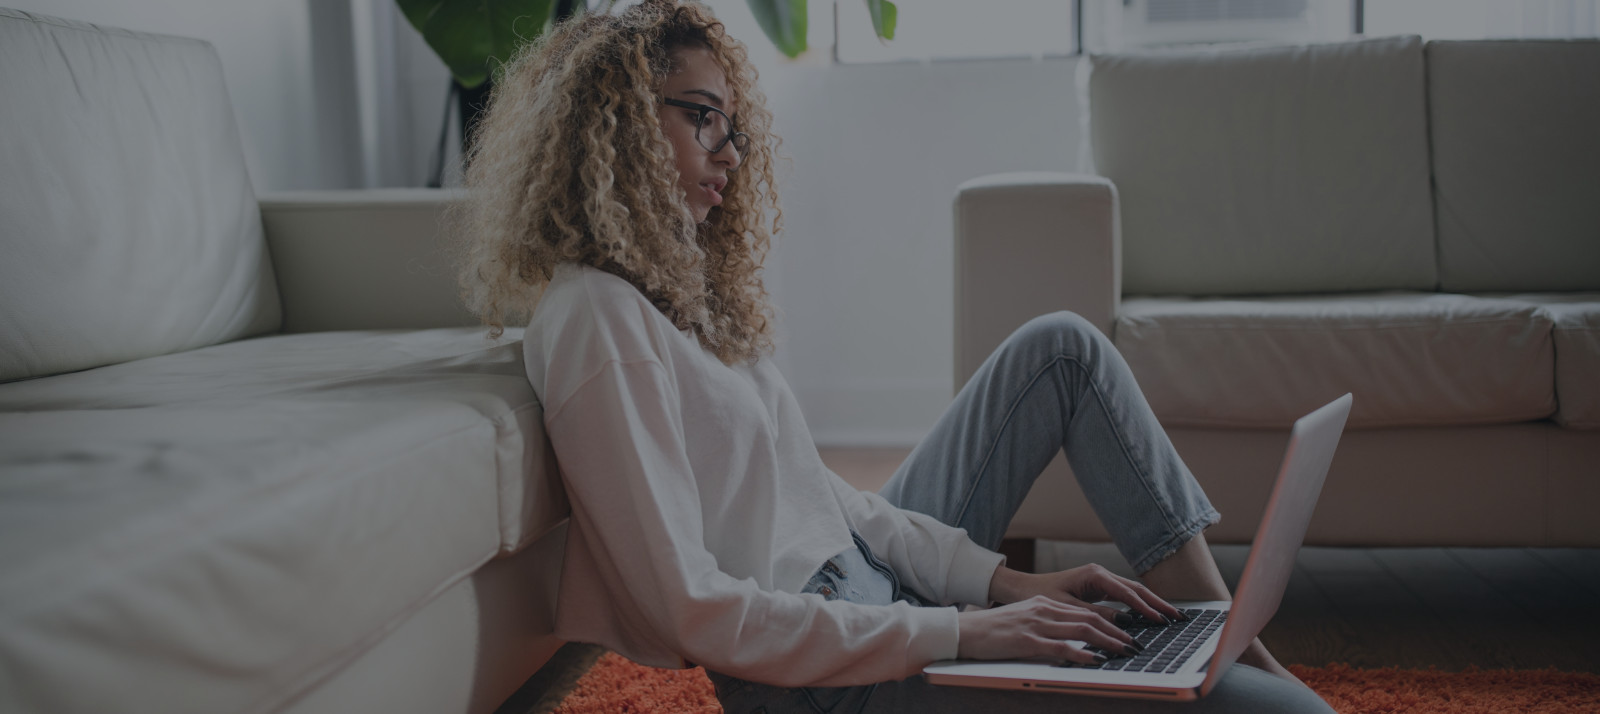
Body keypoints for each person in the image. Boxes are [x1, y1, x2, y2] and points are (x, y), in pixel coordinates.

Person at [454, 1, 1335, 712]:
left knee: (1062, 349)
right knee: (1268, 713)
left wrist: (1001, 585)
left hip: (879, 602)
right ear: (616, 127)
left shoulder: (687, 301)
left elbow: (827, 499)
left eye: (733, 126)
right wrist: (961, 633)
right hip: (821, 687)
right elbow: (689, 606)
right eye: (702, 118)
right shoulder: (596, 319)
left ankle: (1224, 637)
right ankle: (1228, 667)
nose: (728, 150)